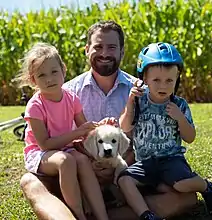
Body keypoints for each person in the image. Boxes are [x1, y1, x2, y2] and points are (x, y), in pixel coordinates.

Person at [20, 21, 197, 220]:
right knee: (30, 182)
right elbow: (60, 143)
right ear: (87, 50)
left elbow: (146, 143)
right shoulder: (65, 91)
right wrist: (90, 164)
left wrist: (115, 165)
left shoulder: (142, 92)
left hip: (124, 176)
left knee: (186, 198)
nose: (104, 53)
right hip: (77, 176)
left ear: (122, 51)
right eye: (98, 47)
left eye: (111, 47)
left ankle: (98, 216)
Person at [118, 42, 212, 220]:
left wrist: (180, 118)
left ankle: (205, 186)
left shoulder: (179, 105)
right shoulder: (138, 102)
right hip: (145, 163)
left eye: (169, 81)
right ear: (144, 79)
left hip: (172, 160)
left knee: (180, 185)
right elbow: (125, 127)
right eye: (156, 80)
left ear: (177, 79)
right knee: (124, 180)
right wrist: (130, 102)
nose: (162, 86)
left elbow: (190, 138)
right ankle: (147, 215)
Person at [20, 42, 109, 220]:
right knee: (66, 161)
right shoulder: (35, 105)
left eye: (54, 71)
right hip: (40, 154)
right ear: (33, 80)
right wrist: (78, 133)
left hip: (64, 148)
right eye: (42, 75)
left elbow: (85, 130)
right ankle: (78, 215)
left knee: (82, 160)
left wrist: (100, 126)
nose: (49, 79)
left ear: (63, 70)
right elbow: (44, 144)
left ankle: (102, 216)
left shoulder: (71, 98)